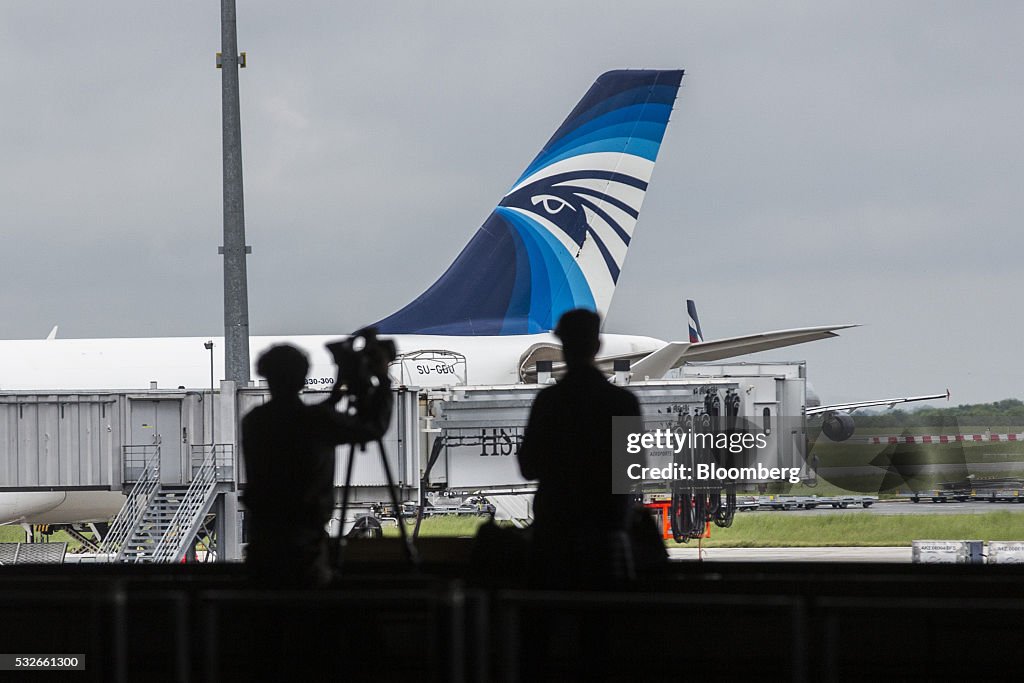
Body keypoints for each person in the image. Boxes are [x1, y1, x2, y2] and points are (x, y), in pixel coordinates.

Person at [241, 343, 392, 587]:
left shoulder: (254, 421)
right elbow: (374, 427)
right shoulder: (317, 421)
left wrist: (331, 400)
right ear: (302, 379)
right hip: (305, 549)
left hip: (263, 546)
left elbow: (291, 423)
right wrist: (383, 380)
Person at [517, 308, 641, 588]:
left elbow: (528, 468)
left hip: (555, 532)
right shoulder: (622, 403)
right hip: (606, 532)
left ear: (563, 345)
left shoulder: (548, 402)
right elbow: (633, 470)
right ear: (597, 346)